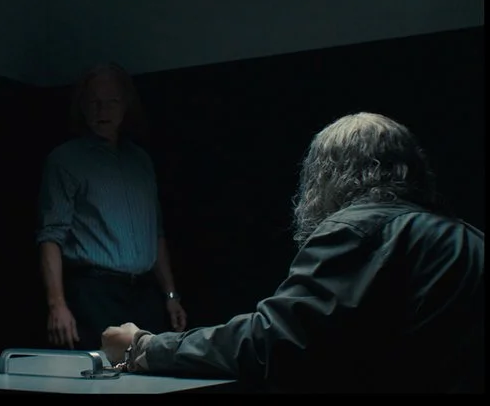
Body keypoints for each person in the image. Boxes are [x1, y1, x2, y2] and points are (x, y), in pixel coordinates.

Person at [100, 112, 483, 393]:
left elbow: (272, 343)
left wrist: (145, 346)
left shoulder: (358, 228)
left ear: (327, 175)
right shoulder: (468, 238)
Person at [36, 63, 187, 351]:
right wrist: (57, 305)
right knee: (100, 371)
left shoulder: (141, 161)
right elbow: (50, 236)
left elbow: (155, 233)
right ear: (82, 106)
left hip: (144, 294)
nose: (102, 110)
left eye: (111, 101)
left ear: (126, 105)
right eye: (93, 102)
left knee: (151, 369)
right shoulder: (65, 160)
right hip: (94, 294)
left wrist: (171, 295)